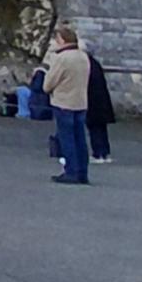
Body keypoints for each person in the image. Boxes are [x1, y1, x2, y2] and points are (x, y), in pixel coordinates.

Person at [43, 27, 91, 185]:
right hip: (80, 101)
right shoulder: (83, 56)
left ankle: (71, 171)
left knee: (67, 138)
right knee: (80, 138)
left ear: (62, 40)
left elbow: (48, 83)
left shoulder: (61, 58)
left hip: (64, 102)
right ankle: (82, 172)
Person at [86, 47, 117, 164]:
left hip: (93, 102)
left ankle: (98, 153)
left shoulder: (88, 65)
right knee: (101, 129)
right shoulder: (95, 64)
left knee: (95, 129)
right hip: (101, 102)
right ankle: (104, 153)